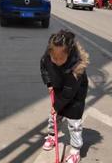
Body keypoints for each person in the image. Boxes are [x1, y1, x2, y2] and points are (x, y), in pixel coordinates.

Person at [40, 30, 90, 163]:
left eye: (60, 59)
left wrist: (56, 106)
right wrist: (49, 83)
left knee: (74, 124)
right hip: (58, 87)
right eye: (53, 58)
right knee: (54, 116)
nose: (56, 61)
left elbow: (69, 92)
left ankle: (75, 150)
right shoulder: (48, 56)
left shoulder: (77, 68)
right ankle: (52, 135)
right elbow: (44, 67)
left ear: (69, 54)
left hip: (75, 95)